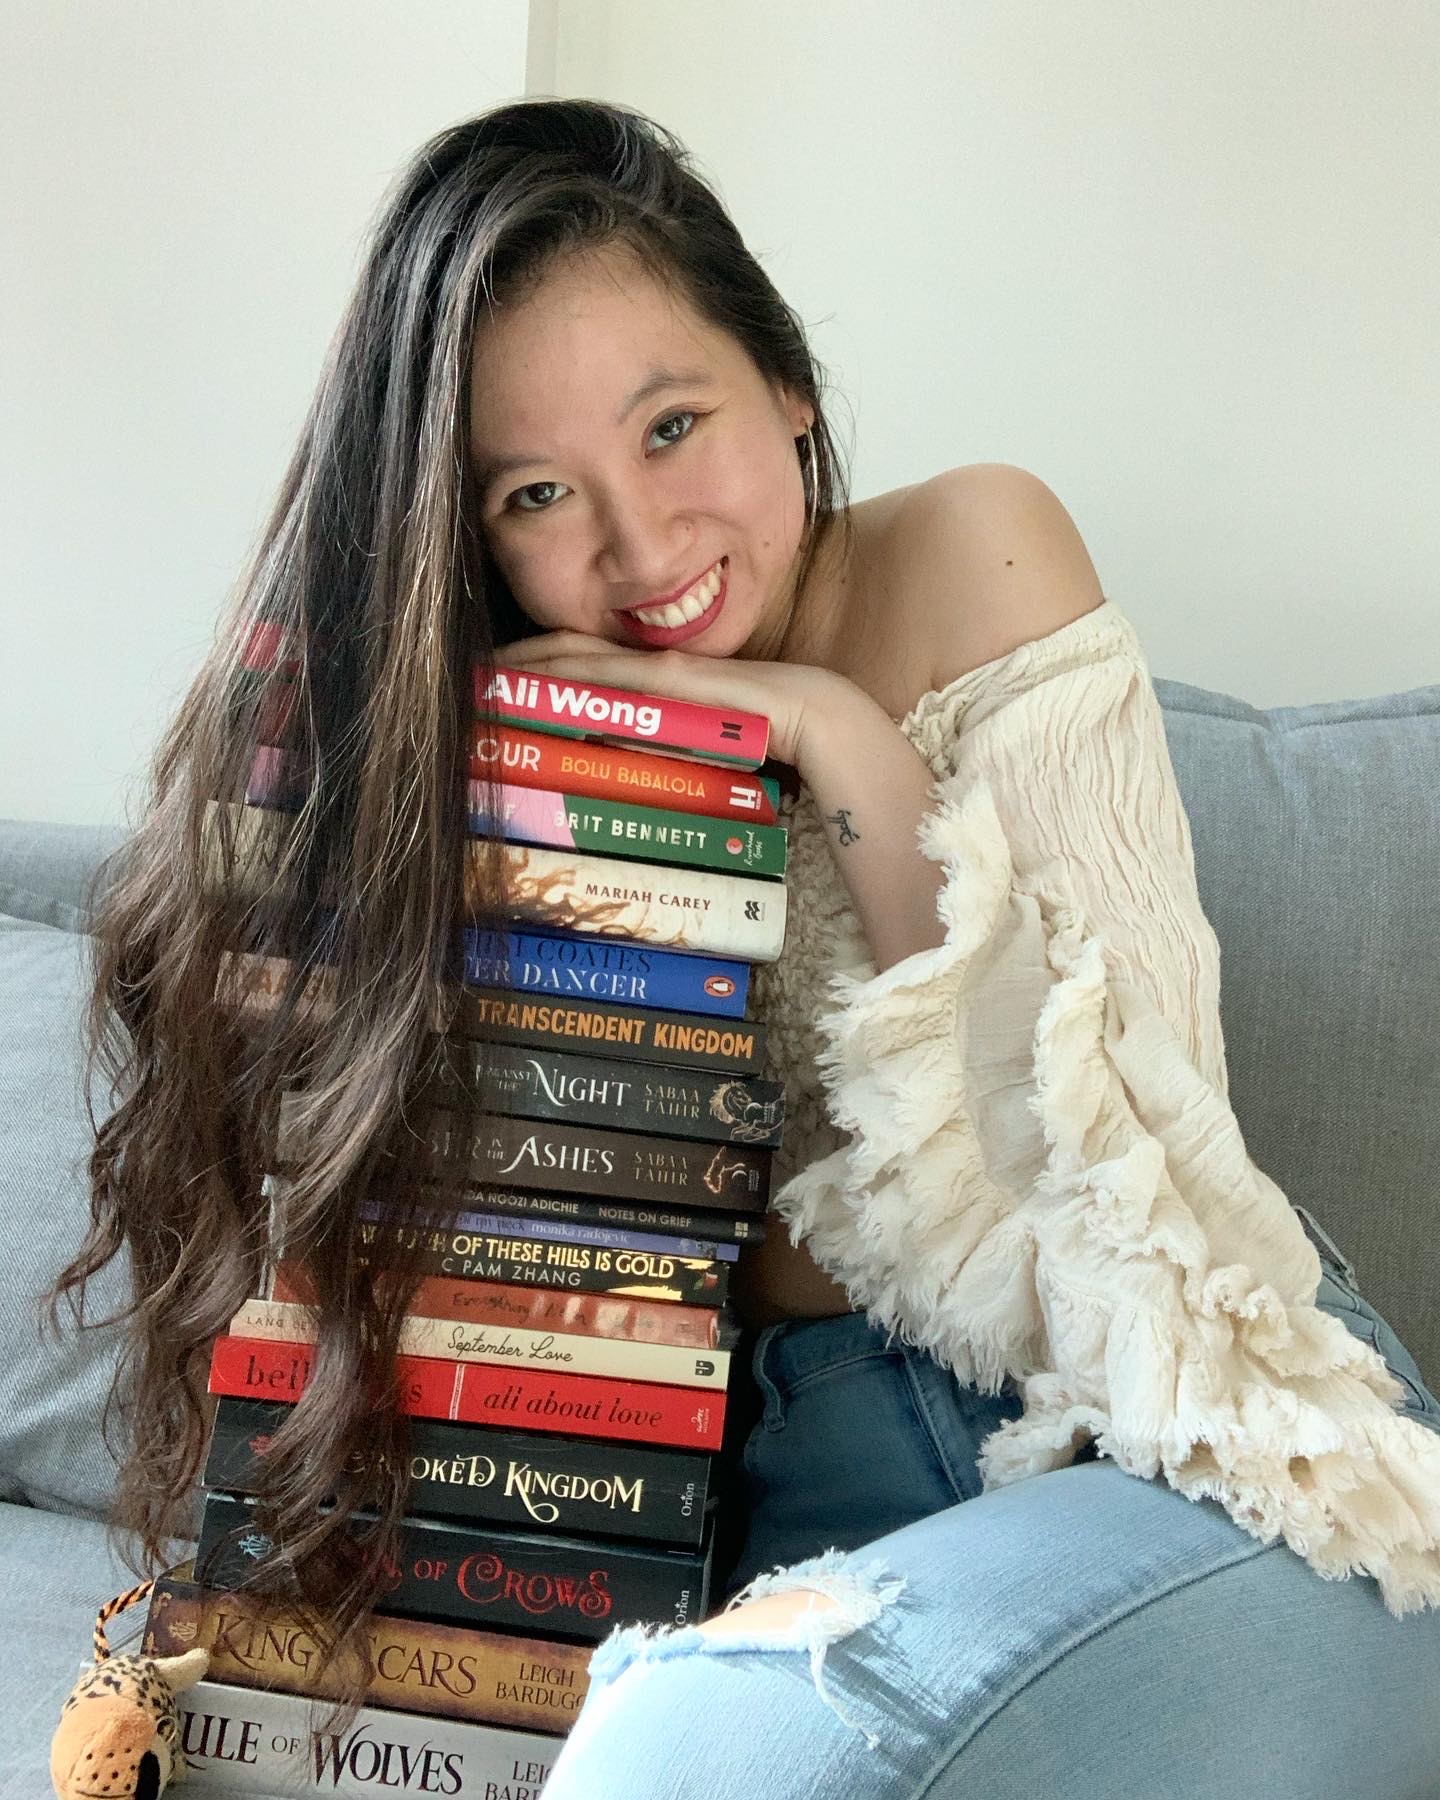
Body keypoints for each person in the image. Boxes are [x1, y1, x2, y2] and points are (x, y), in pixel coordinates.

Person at [50, 97, 1440, 1796]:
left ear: (787, 381)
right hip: (802, 1506)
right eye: (538, 493)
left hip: (1206, 1466)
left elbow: (1100, 1157)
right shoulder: (514, 748)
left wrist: (826, 731)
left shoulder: (975, 548)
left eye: (673, 425)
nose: (641, 551)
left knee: (698, 1750)